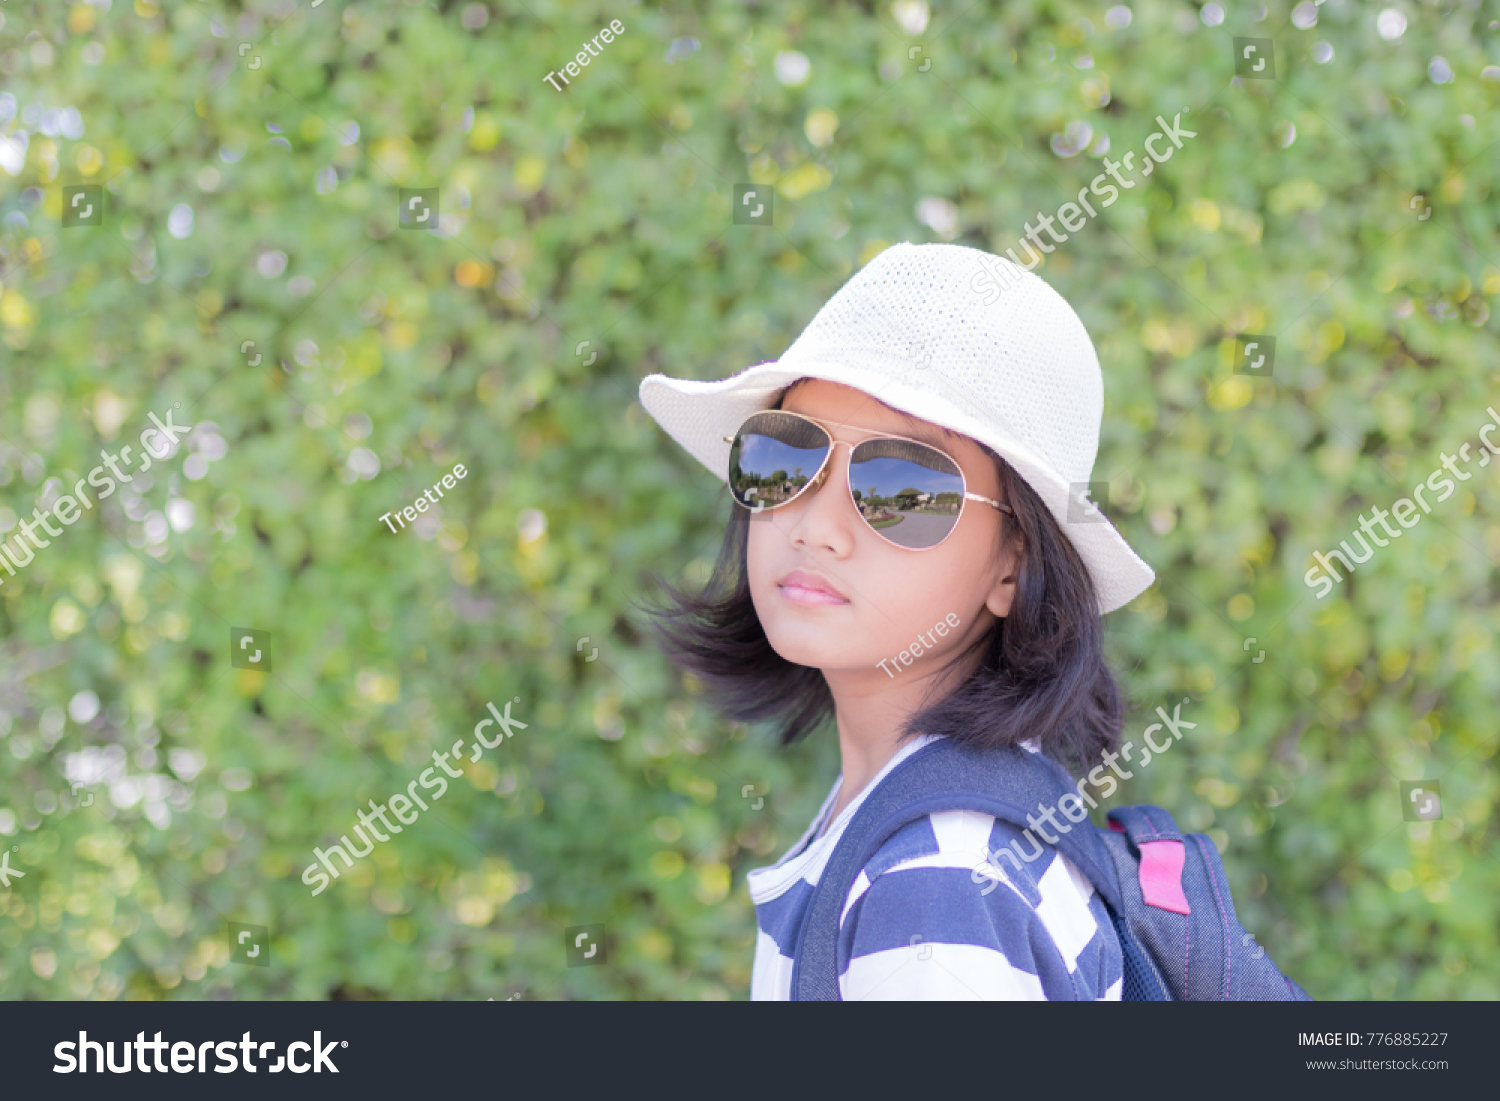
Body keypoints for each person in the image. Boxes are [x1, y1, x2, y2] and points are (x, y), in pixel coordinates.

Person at [637, 242, 1156, 999]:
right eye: (784, 456)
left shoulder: (937, 885)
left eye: (904, 486)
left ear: (1015, 565)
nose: (816, 525)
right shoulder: (916, 816)